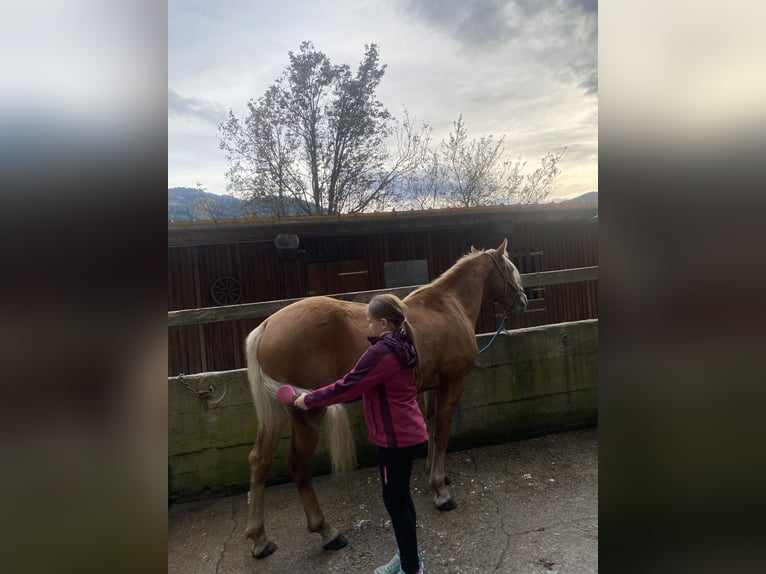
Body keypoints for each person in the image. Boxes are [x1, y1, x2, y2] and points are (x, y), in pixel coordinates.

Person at [294, 293, 427, 574]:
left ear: (383, 323)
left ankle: (412, 567)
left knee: (396, 502)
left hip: (396, 440)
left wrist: (310, 399)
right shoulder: (403, 343)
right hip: (407, 434)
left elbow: (348, 386)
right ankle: (408, 557)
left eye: (369, 322)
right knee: (401, 498)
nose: (367, 327)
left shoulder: (381, 352)